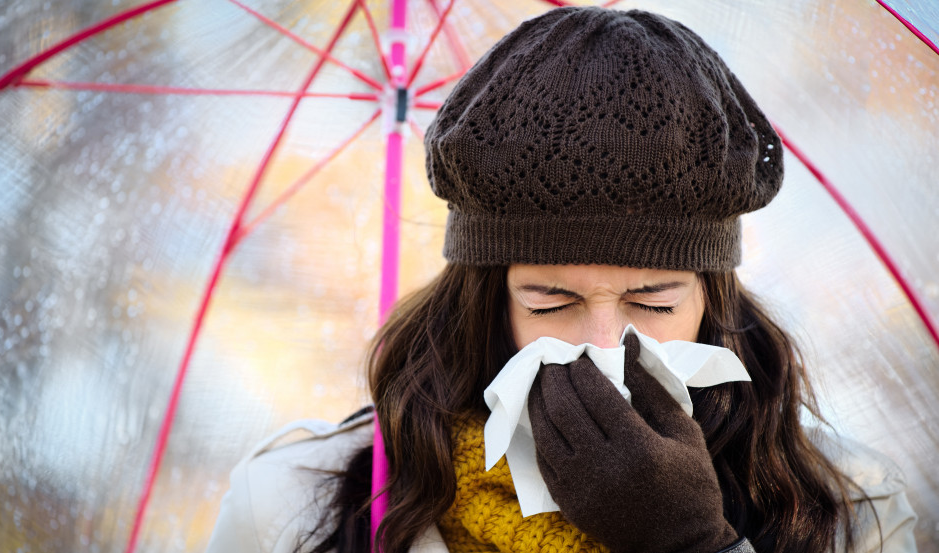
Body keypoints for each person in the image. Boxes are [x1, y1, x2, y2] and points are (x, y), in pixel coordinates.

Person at [205, 7, 917, 553]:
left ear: (711, 299)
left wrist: (693, 542)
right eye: (551, 300)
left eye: (653, 300)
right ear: (486, 301)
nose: (601, 344)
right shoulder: (295, 503)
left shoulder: (849, 509)